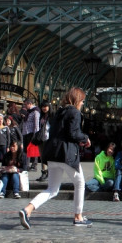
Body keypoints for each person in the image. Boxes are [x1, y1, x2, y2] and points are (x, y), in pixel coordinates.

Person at [18, 87, 91, 228]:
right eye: (82, 101)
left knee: (52, 189)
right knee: (80, 183)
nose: (82, 104)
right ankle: (78, 217)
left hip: (52, 154)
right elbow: (73, 133)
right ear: (76, 100)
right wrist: (86, 138)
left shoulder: (58, 112)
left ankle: (27, 209)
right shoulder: (74, 113)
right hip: (66, 155)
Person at [35, 102, 51, 181]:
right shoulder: (40, 116)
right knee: (42, 156)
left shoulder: (52, 116)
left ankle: (49, 172)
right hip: (41, 138)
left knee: (48, 156)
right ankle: (44, 172)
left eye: (46, 106)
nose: (44, 108)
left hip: (49, 138)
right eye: (43, 107)